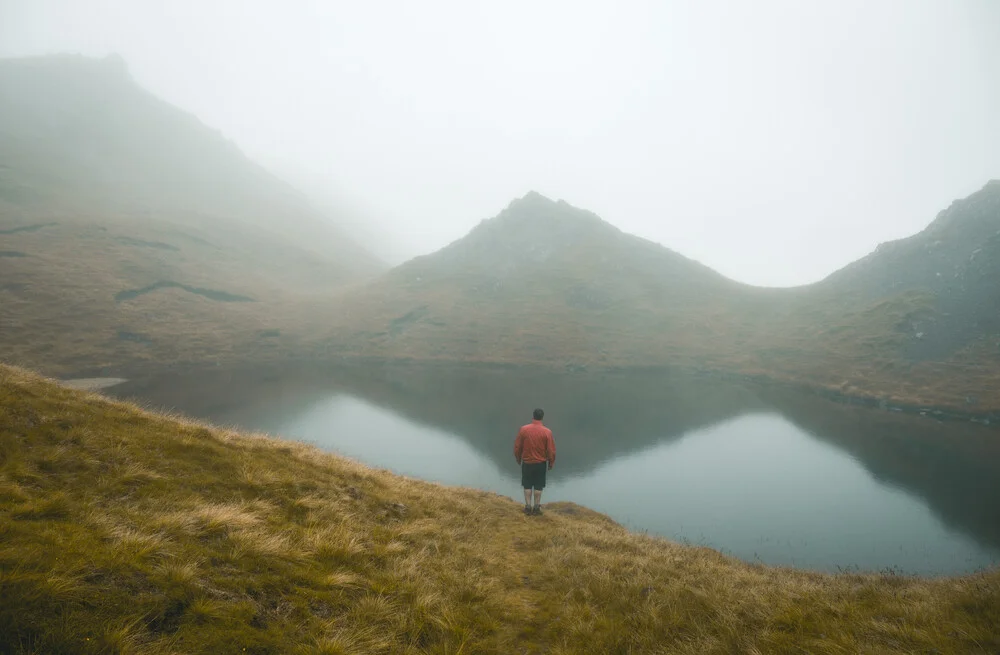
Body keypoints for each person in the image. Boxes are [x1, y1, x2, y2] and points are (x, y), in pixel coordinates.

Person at [513, 408, 556, 515]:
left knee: (527, 485)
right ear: (542, 417)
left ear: (533, 416)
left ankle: (527, 507)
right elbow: (551, 450)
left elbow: (517, 447)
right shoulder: (547, 432)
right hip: (540, 463)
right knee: (538, 486)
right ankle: (536, 508)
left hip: (527, 462)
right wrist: (551, 462)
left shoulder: (523, 429)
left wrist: (518, 458)